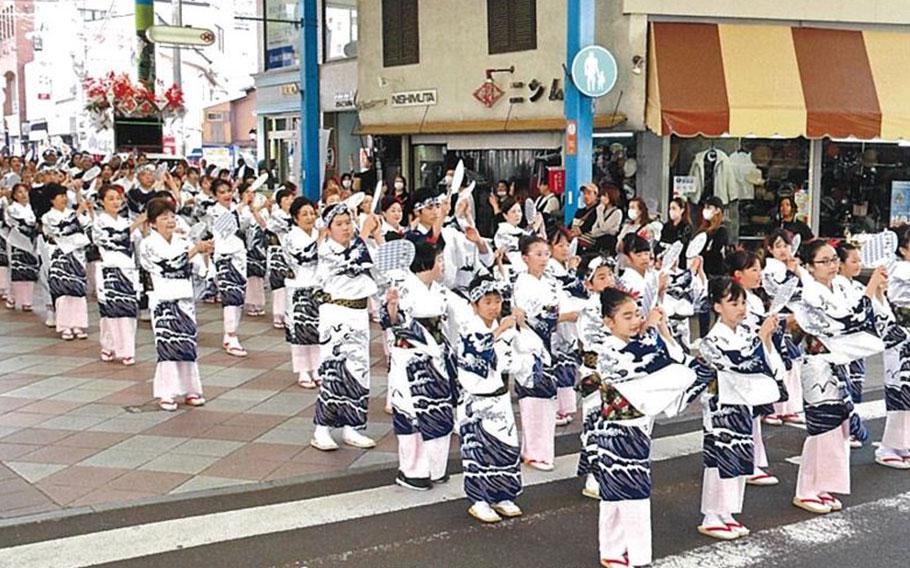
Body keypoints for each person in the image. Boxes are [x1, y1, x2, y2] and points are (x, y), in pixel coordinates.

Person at [580, 289, 709, 567]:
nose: (635, 320)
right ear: (608, 322)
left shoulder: (636, 343)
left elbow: (672, 358)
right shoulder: (605, 350)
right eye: (627, 316)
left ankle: (612, 550)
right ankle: (639, 558)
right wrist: (651, 329)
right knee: (633, 495)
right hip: (618, 430)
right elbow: (652, 360)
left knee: (616, 494)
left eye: (637, 314)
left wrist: (660, 328)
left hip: (631, 427)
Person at [791, 239, 886, 514]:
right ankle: (807, 489)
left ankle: (821, 487)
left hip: (837, 363)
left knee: (838, 429)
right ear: (810, 265)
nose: (832, 266)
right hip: (818, 365)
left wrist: (874, 289)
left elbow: (859, 312)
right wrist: (871, 289)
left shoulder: (840, 286)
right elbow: (847, 319)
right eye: (824, 261)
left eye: (834, 260)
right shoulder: (811, 293)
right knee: (822, 428)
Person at [697, 277, 782, 540]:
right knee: (720, 459)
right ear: (717, 306)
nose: (741, 308)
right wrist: (761, 337)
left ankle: (727, 512)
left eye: (743, 302)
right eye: (733, 303)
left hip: (743, 401)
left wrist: (764, 339)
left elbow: (768, 364)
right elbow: (739, 363)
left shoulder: (746, 333)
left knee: (741, 456)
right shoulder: (711, 340)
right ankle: (712, 514)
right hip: (722, 405)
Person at [383, 242, 456, 490]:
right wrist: (392, 307)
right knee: (411, 414)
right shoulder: (403, 288)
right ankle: (412, 470)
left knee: (438, 413)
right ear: (427, 263)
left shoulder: (440, 290)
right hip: (410, 359)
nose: (443, 265)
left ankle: (435, 468)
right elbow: (391, 323)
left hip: (437, 358)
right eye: (440, 260)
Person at [310, 201, 380, 451]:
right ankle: (322, 428)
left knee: (359, 370)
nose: (345, 228)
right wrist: (364, 233)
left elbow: (372, 270)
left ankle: (353, 426)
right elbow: (351, 263)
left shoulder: (358, 245)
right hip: (336, 314)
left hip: (358, 313)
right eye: (339, 224)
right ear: (328, 228)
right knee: (334, 371)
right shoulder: (325, 250)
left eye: (348, 222)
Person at [456, 274, 524, 523]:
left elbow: (517, 356)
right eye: (487, 302)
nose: (494, 306)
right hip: (477, 400)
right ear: (475, 305)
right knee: (478, 451)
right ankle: (479, 499)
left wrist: (519, 328)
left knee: (505, 447)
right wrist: (501, 329)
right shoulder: (469, 327)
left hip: (500, 397)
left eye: (497, 301)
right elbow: (478, 354)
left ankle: (503, 494)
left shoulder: (502, 328)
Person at [139, 197, 213, 411]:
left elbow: (199, 270)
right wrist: (195, 250)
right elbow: (168, 266)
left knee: (188, 345)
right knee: (168, 346)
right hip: (163, 301)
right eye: (164, 218)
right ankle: (167, 393)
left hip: (184, 299)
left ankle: (191, 389)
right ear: (152, 222)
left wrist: (205, 254)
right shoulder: (148, 244)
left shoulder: (184, 242)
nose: (170, 221)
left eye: (172, 216)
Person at [512, 235, 577, 470]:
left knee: (547, 400)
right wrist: (564, 316)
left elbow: (564, 304)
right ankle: (535, 453)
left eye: (546, 254)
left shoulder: (550, 281)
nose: (543, 259)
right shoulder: (522, 283)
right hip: (532, 346)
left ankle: (535, 449)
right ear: (525, 257)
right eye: (538, 254)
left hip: (552, 344)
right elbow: (529, 318)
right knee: (534, 399)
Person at [94, 185, 144, 366]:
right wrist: (137, 223)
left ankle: (127, 350)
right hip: (110, 268)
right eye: (111, 198)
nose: (116, 202)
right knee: (111, 312)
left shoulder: (126, 221)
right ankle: (108, 346)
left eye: (118, 198)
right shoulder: (99, 221)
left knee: (129, 312)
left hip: (129, 270)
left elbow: (138, 242)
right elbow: (114, 238)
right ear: (102, 202)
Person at [761, 228, 805, 426]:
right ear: (770, 249)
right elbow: (777, 292)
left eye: (786, 245)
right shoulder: (769, 270)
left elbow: (805, 291)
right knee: (776, 362)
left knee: (792, 363)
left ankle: (789, 407)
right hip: (775, 317)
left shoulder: (796, 267)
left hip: (794, 316)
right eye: (778, 246)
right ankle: (771, 408)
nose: (783, 250)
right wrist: (790, 272)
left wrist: (796, 271)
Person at [41, 183, 92, 340]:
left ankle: (78, 324)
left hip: (77, 255)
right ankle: (65, 326)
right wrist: (78, 212)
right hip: (60, 255)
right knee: (63, 291)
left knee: (78, 291)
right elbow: (62, 229)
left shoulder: (72, 212)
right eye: (60, 196)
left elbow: (87, 223)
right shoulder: (48, 216)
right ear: (52, 200)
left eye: (64, 195)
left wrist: (82, 206)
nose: (63, 198)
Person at [879, 227, 910, 469]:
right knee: (898, 388)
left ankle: (902, 443)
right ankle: (888, 446)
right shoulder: (899, 268)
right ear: (903, 249)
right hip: (899, 333)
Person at [209, 179, 251, 357]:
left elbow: (247, 224)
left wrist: (246, 206)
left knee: (239, 297)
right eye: (221, 192)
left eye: (228, 191)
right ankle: (232, 336)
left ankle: (229, 334)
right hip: (225, 258)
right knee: (230, 297)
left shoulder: (236, 208)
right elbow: (224, 227)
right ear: (215, 195)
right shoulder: (213, 211)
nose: (226, 195)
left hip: (239, 256)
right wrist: (241, 205)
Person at [283, 197, 321, 388]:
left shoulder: (318, 233)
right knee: (300, 330)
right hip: (299, 286)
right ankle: (302, 370)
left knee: (317, 329)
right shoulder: (291, 237)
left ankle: (317, 368)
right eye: (304, 214)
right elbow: (304, 257)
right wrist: (322, 240)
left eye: (312, 213)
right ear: (295, 218)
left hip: (318, 286)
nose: (309, 217)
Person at [695, 196, 730, 336]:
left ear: (717, 210)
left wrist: (704, 253)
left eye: (709, 208)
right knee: (703, 306)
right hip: (703, 273)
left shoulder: (722, 230)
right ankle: (703, 335)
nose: (706, 211)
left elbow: (715, 250)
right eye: (706, 207)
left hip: (716, 273)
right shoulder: (703, 230)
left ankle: (717, 335)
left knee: (716, 307)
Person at [4, 183, 39, 311]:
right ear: (14, 195)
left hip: (30, 244)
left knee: (29, 272)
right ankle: (11, 297)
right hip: (16, 243)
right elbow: (18, 222)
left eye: (25, 191)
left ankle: (27, 301)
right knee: (16, 271)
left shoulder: (29, 207)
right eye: (19, 192)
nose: (23, 194)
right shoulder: (12, 208)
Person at [266, 188, 294, 329]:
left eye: (291, 198)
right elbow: (273, 228)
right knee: (278, 285)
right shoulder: (276, 215)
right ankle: (278, 315)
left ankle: (289, 314)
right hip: (278, 252)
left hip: (291, 253)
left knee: (290, 285)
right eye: (286, 199)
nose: (289, 201)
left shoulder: (295, 215)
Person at [571, 183, 623, 255]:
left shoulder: (616, 212)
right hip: (597, 242)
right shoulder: (580, 211)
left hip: (606, 244)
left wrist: (600, 211)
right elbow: (594, 230)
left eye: (589, 193)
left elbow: (603, 227)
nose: (585, 196)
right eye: (584, 193)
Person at [659, 197, 695, 267]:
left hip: (679, 262)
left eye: (674, 208)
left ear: (682, 210)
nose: (671, 211)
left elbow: (682, 245)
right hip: (665, 259)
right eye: (670, 209)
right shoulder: (666, 226)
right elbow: (661, 241)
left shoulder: (686, 227)